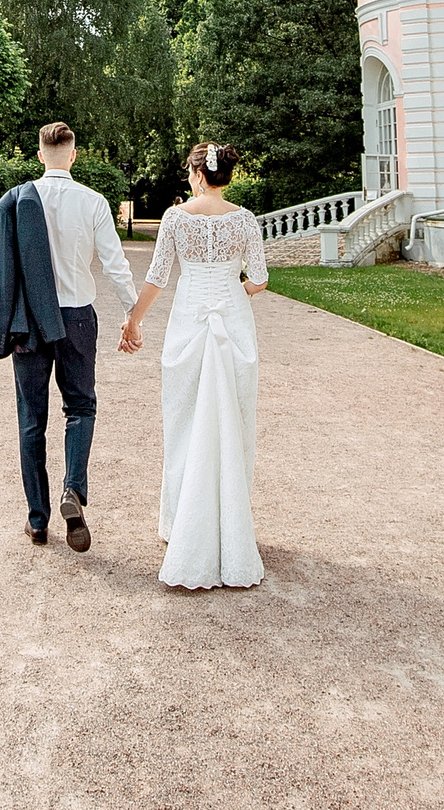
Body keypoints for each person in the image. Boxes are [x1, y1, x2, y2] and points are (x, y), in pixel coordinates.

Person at [0, 122, 137, 552]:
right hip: (77, 317)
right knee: (81, 406)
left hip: (29, 320)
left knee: (32, 418)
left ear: (40, 155)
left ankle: (38, 521)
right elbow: (115, 263)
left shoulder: (14, 200)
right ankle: (73, 490)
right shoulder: (93, 201)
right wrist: (132, 314)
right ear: (74, 155)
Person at [119, 141, 266, 590]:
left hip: (190, 323)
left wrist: (133, 321)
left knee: (183, 420)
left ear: (199, 175)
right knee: (234, 422)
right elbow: (260, 279)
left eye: (189, 171)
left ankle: (180, 520)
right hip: (232, 323)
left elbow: (158, 276)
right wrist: (234, 293)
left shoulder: (175, 218)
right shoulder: (245, 220)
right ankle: (229, 529)